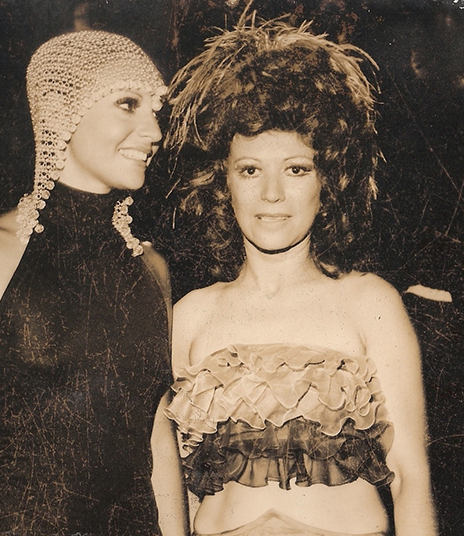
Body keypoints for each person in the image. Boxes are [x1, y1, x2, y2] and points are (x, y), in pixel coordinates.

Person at [163, 17, 437, 536]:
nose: (271, 195)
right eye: (250, 170)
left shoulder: (369, 302)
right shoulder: (190, 315)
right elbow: (173, 485)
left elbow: (411, 479)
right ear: (222, 181)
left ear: (328, 181)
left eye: (296, 169)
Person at [0, 30, 187, 536]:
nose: (153, 131)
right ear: (62, 109)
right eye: (128, 104)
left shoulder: (152, 269)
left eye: (156, 111)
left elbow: (157, 440)